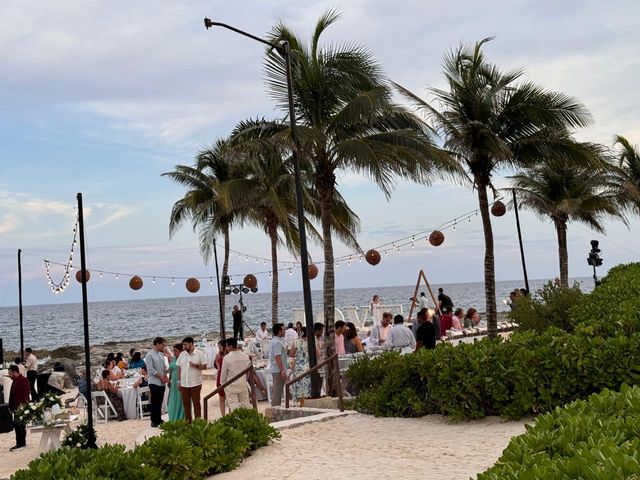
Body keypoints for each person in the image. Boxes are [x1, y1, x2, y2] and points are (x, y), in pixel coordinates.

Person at [177, 336, 208, 422]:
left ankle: (198, 423)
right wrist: (178, 381)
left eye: (185, 344)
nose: (184, 347)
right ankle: (188, 423)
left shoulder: (200, 353)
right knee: (186, 404)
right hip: (184, 384)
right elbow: (179, 368)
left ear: (191, 344)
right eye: (183, 345)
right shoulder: (182, 354)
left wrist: (196, 365)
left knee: (196, 404)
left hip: (195, 384)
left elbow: (205, 367)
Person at [220, 338, 252, 411]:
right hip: (242, 384)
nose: (226, 348)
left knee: (234, 407)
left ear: (231, 346)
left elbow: (223, 374)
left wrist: (223, 384)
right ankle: (250, 419)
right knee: (246, 405)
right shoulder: (245, 355)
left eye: (227, 346)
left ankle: (237, 421)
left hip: (231, 386)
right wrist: (245, 380)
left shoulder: (227, 358)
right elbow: (249, 370)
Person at [145, 337, 169, 428]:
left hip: (162, 381)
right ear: (157, 344)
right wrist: (160, 377)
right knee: (155, 401)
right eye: (162, 344)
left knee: (160, 401)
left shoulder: (161, 354)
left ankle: (159, 419)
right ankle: (153, 420)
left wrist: (165, 375)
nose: (164, 346)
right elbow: (150, 370)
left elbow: (164, 367)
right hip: (154, 381)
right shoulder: (149, 355)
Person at [8, 364, 30, 451]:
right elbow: (12, 395)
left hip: (21, 408)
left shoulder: (23, 380)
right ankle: (19, 443)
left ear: (14, 372)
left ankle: (21, 443)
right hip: (16, 408)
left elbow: (26, 394)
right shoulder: (15, 380)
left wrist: (23, 406)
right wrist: (11, 406)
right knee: (17, 426)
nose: (9, 376)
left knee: (20, 426)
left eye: (10, 373)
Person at [290, 328, 311, 406]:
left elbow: (291, 354)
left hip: (298, 366)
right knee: (307, 385)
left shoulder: (296, 342)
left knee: (299, 385)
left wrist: (298, 354)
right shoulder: (310, 342)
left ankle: (300, 402)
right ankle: (306, 401)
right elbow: (318, 353)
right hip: (308, 365)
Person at [269, 323, 288, 407]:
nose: (285, 331)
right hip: (278, 370)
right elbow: (277, 357)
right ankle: (275, 408)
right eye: (283, 329)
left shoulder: (275, 341)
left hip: (276, 369)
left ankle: (275, 406)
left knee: (277, 390)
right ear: (279, 331)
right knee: (277, 391)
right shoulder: (277, 342)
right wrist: (282, 370)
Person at [167, 343, 185, 421]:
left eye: (176, 351)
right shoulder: (174, 358)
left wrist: (179, 381)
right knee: (172, 402)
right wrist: (169, 380)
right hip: (173, 383)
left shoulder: (183, 358)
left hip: (181, 382)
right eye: (173, 351)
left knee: (180, 400)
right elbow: (170, 370)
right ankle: (173, 418)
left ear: (181, 351)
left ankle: (181, 418)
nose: (174, 353)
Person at [214, 339, 228, 417]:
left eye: (220, 346)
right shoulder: (218, 355)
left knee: (229, 399)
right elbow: (216, 365)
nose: (219, 347)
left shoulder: (228, 355)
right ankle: (223, 416)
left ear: (225, 346)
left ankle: (230, 415)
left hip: (228, 377)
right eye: (218, 346)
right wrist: (217, 363)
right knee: (221, 398)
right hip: (220, 376)